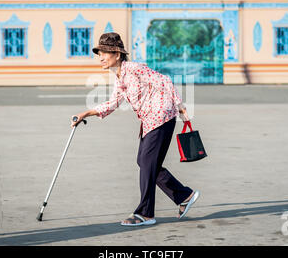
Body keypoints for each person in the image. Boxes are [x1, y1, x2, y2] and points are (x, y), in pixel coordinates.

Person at [71, 32, 200, 226]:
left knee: (147, 162)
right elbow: (112, 103)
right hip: (150, 121)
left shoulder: (133, 68)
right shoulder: (120, 78)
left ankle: (146, 213)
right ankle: (184, 196)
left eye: (105, 52)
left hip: (161, 117)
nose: (101, 57)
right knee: (145, 162)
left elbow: (164, 81)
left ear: (118, 54)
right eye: (99, 53)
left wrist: (180, 105)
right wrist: (85, 114)